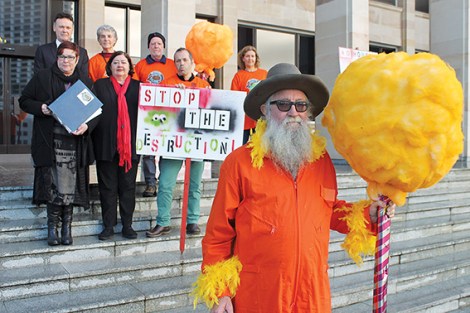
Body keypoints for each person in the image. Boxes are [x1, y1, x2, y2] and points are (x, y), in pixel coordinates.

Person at [192, 63, 396, 312]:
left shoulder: (320, 161)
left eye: (301, 105)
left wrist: (368, 215)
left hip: (312, 295)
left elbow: (327, 210)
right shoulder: (239, 163)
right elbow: (217, 237)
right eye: (283, 105)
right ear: (264, 110)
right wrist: (220, 293)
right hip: (259, 295)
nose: (293, 112)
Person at [20, 41, 97, 246]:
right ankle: (52, 228)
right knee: (53, 185)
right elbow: (24, 100)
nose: (66, 61)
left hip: (74, 143)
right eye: (62, 56)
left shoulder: (85, 81)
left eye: (70, 57)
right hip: (50, 141)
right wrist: (41, 107)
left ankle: (66, 228)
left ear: (77, 60)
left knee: (70, 186)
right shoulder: (43, 77)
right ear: (57, 58)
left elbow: (96, 113)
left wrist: (87, 126)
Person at [146, 47, 210, 238]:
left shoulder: (203, 85)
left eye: (184, 60)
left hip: (195, 142)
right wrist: (173, 95)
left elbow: (210, 111)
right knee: (165, 183)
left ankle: (192, 220)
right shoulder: (167, 84)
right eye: (177, 61)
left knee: (195, 184)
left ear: (192, 63)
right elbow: (157, 111)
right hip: (172, 143)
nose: (181, 64)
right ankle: (163, 221)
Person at [92, 51, 141, 241]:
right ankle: (108, 226)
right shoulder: (99, 85)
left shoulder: (139, 87)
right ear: (110, 67)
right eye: (115, 62)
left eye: (124, 62)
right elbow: (90, 111)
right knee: (107, 188)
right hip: (105, 145)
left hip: (131, 147)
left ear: (129, 67)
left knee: (128, 187)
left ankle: (127, 225)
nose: (120, 65)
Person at [134, 32, 177, 197]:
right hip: (148, 114)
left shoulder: (173, 64)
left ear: (164, 46)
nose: (156, 46)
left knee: (167, 149)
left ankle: (165, 181)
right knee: (148, 151)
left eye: (159, 43)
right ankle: (150, 184)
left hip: (169, 113)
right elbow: (135, 87)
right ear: (148, 46)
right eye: (153, 44)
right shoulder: (140, 65)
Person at [231, 45, 268, 144]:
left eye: (252, 56)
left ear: (256, 58)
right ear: (243, 58)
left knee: (260, 147)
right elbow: (235, 96)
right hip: (243, 119)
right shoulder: (238, 76)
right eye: (247, 56)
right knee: (240, 146)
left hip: (260, 118)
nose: (250, 59)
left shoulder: (264, 74)